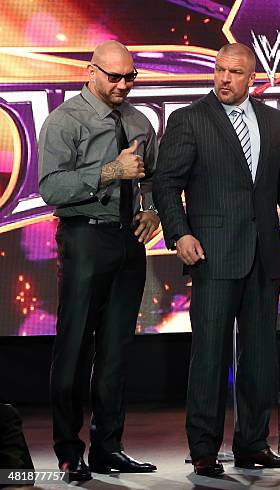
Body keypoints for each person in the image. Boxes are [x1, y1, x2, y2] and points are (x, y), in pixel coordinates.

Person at [153, 43, 280, 477]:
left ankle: (253, 444)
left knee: (260, 356)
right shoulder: (189, 119)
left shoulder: (273, 119)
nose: (224, 78)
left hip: (263, 256)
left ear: (252, 78)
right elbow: (166, 185)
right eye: (220, 70)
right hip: (212, 253)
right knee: (209, 356)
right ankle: (204, 448)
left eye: (235, 72)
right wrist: (179, 233)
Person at [38, 40, 159, 481]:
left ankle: (110, 447)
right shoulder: (65, 120)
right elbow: (51, 188)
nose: (124, 85)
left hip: (128, 239)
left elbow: (153, 178)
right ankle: (69, 452)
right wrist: (110, 171)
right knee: (73, 349)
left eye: (131, 77)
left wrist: (153, 210)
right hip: (84, 235)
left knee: (115, 352)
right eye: (115, 77)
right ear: (91, 73)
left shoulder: (140, 120)